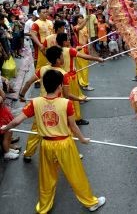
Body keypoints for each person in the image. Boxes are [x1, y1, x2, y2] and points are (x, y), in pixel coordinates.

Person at [1, 69, 106, 213]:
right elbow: (73, 126)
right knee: (76, 174)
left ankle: (44, 207)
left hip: (46, 145)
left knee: (46, 178)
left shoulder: (35, 103)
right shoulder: (66, 103)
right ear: (60, 86)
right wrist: (82, 139)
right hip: (64, 144)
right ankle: (90, 202)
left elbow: (17, 121)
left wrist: (5, 127)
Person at [19, 46, 88, 162]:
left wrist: (22, 95)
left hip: (41, 106)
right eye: (61, 57)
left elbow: (28, 82)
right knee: (66, 131)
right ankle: (71, 154)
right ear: (57, 60)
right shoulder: (63, 74)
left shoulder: (42, 69)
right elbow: (66, 95)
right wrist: (80, 98)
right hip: (59, 108)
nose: (63, 58)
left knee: (36, 131)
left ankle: (28, 153)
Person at [56, 33, 104, 125]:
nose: (69, 41)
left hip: (60, 77)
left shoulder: (57, 50)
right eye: (68, 40)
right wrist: (97, 59)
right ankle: (77, 118)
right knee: (74, 99)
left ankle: (64, 118)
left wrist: (76, 49)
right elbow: (85, 57)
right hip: (70, 78)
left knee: (63, 98)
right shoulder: (70, 50)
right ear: (64, 42)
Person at [30, 6, 53, 72]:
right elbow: (33, 35)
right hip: (42, 47)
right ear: (39, 14)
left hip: (51, 46)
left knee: (50, 62)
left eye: (46, 12)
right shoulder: (36, 23)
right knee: (39, 62)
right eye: (43, 12)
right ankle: (37, 78)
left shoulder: (50, 22)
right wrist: (40, 45)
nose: (46, 13)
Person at [0, 86, 20, 160]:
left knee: (9, 132)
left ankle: (8, 148)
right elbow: (2, 98)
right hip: (1, 118)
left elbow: (3, 96)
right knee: (7, 133)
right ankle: (7, 152)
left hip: (3, 115)